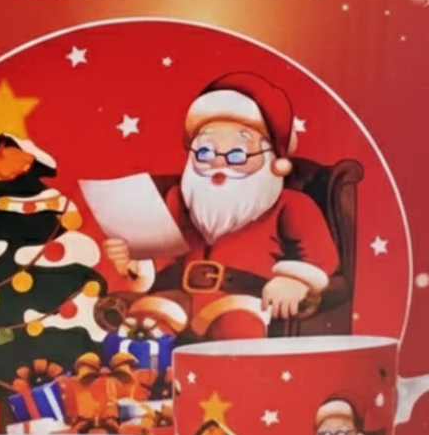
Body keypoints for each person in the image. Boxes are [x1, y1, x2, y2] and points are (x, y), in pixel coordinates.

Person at [103, 72, 338, 339]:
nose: (218, 163)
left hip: (245, 299)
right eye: (205, 152)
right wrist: (135, 262)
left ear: (274, 159)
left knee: (236, 328)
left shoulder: (292, 205)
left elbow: (320, 258)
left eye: (237, 154)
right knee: (143, 325)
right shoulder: (180, 199)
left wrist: (295, 280)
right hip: (178, 297)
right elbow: (162, 255)